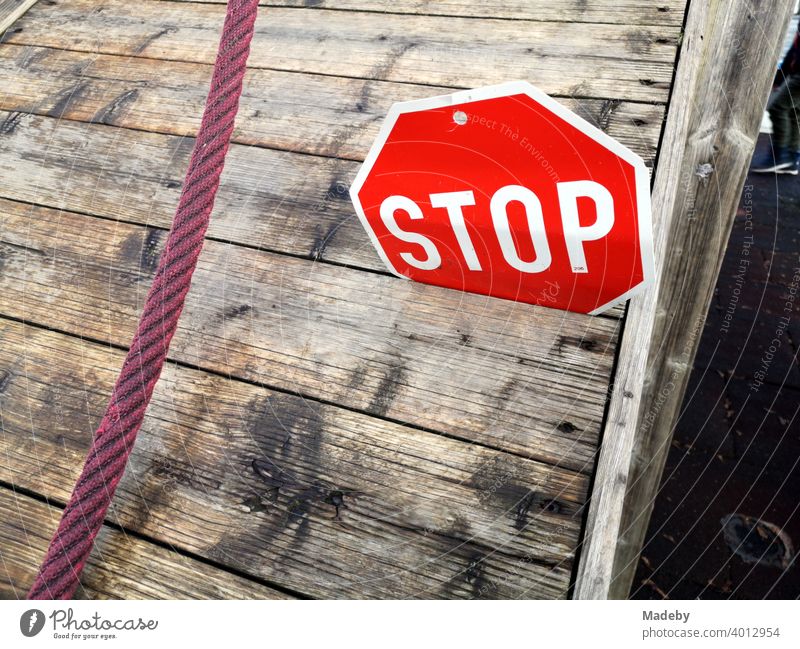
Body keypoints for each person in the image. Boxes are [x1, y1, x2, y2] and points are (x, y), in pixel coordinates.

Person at [753, 23, 800, 175]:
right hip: (796, 72)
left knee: (778, 108)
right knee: (795, 114)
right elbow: (794, 50)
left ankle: (780, 157)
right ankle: (791, 158)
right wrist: (779, 79)